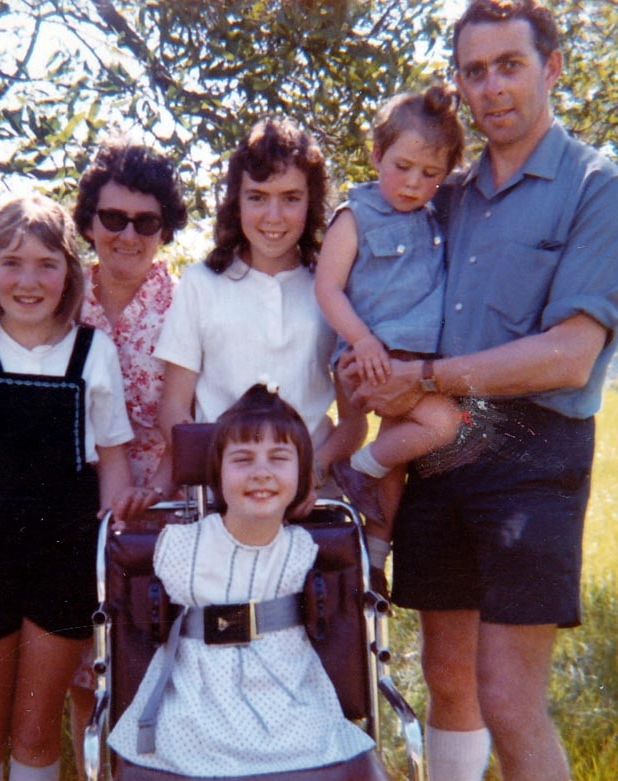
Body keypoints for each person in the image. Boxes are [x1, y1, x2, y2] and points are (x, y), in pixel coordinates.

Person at [339, 2, 618, 780]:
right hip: (440, 448)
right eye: (474, 70)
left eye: (510, 65)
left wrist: (422, 378)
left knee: (507, 693)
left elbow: (569, 355)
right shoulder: (442, 193)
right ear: (458, 85)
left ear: (553, 66)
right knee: (448, 678)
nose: (491, 86)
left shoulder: (597, 186)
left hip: (534, 449)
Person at [0, 195, 145, 781]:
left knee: (38, 727)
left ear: (69, 273)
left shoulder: (95, 354)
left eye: (47, 263)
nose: (28, 280)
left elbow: (115, 463)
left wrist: (114, 547)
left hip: (63, 564)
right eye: (12, 262)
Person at [108, 383, 387, 780]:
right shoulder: (180, 546)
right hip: (195, 706)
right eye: (242, 459)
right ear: (217, 473)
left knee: (325, 745)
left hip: (288, 702)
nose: (261, 473)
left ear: (301, 472)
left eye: (279, 458)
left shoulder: (302, 548)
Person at [156, 117, 364, 509]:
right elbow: (173, 409)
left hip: (310, 500)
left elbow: (354, 424)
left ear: (312, 202)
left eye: (290, 197)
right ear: (236, 200)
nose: (274, 216)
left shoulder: (332, 289)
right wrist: (223, 475)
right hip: (220, 501)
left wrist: (311, 473)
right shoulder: (201, 283)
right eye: (257, 196)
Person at [315, 84, 466, 597]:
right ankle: (350, 468)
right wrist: (362, 342)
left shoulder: (431, 220)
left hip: (410, 358)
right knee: (443, 423)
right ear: (377, 154)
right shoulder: (355, 216)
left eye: (430, 175)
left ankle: (373, 565)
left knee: (393, 463)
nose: (412, 183)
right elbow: (327, 287)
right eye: (402, 166)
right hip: (371, 355)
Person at [69, 139, 187, 778]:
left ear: (164, 228)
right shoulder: (60, 298)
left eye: (146, 221)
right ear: (89, 222)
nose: (127, 235)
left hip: (160, 501)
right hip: (67, 497)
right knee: (84, 669)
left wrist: (156, 496)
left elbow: (191, 414)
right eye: (112, 218)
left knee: (153, 660)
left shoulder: (185, 303)